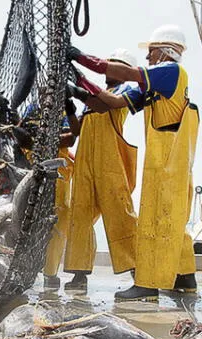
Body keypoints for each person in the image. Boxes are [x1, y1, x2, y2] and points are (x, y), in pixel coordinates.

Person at [67, 25, 199, 300]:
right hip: (165, 160)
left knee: (155, 219)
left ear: (165, 51)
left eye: (151, 52)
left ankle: (147, 286)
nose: (149, 58)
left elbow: (126, 74)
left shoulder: (170, 71)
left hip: (168, 161)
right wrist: (79, 85)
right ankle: (184, 278)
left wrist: (81, 58)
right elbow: (111, 103)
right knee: (172, 219)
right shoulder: (155, 83)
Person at [62, 49, 139, 290]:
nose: (109, 69)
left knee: (120, 214)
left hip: (111, 164)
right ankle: (79, 273)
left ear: (124, 70)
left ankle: (139, 271)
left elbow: (106, 105)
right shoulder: (92, 102)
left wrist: (79, 86)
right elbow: (77, 132)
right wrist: (70, 107)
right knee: (80, 214)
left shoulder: (126, 91)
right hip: (85, 163)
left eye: (114, 65)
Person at [18, 103, 76, 288]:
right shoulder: (32, 109)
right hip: (30, 168)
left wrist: (44, 140)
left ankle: (50, 272)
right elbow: (22, 138)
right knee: (26, 218)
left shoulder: (64, 110)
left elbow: (69, 139)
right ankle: (23, 269)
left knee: (57, 219)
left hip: (57, 170)